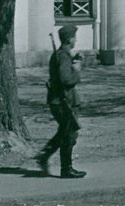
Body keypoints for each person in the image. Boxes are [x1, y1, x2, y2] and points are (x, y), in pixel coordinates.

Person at [35, 24, 86, 179]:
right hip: (63, 101)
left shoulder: (62, 55)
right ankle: (66, 169)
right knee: (69, 134)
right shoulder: (63, 56)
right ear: (70, 39)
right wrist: (76, 71)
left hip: (60, 100)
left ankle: (44, 156)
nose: (75, 40)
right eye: (74, 37)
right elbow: (65, 79)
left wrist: (74, 61)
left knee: (65, 131)